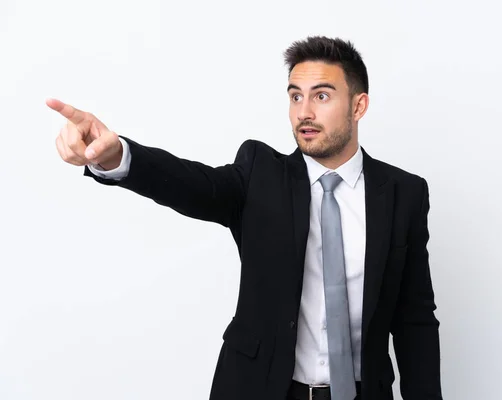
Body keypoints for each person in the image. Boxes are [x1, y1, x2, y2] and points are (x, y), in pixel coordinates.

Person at [48, 36, 442, 400]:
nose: (304, 112)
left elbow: (415, 320)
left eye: (321, 96)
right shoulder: (259, 174)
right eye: (295, 96)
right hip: (261, 390)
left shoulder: (403, 194)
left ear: (358, 106)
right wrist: (117, 157)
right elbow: (192, 184)